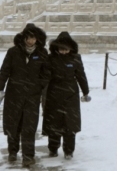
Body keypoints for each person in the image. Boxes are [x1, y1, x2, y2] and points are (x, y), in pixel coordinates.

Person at [0, 25, 50, 167]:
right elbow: (4, 71)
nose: (30, 41)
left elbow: (47, 73)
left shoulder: (42, 53)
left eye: (33, 38)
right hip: (14, 94)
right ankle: (12, 151)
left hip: (32, 95)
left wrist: (39, 85)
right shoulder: (13, 52)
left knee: (29, 126)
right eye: (28, 37)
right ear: (24, 38)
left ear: (37, 38)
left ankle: (28, 156)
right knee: (14, 124)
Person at [42, 31, 90, 160]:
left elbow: (81, 75)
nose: (63, 52)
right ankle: (53, 148)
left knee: (70, 124)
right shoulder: (50, 58)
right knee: (54, 123)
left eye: (66, 49)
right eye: (61, 49)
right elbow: (45, 76)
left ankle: (69, 150)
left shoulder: (76, 58)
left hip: (71, 94)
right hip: (54, 93)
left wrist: (85, 91)